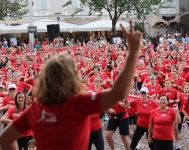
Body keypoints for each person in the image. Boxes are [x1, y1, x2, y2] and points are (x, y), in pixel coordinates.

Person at [0, 21, 142, 150]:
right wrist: (133, 52)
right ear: (72, 77)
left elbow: (5, 140)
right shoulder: (80, 103)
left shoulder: (36, 109)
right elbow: (118, 92)